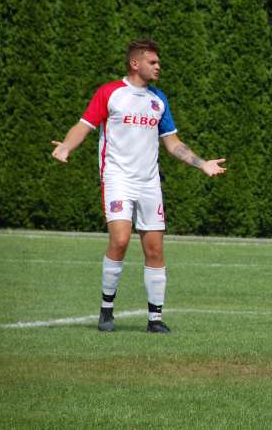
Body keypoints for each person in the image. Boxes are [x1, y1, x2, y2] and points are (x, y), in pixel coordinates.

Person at [51, 39, 226, 334]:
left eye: (158, 62)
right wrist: (66, 147)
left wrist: (202, 163)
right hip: (118, 179)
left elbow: (172, 143)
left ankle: (155, 319)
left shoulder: (158, 99)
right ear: (135, 63)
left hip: (149, 183)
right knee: (119, 240)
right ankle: (107, 310)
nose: (158, 67)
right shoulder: (110, 93)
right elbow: (85, 124)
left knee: (155, 249)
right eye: (153, 62)